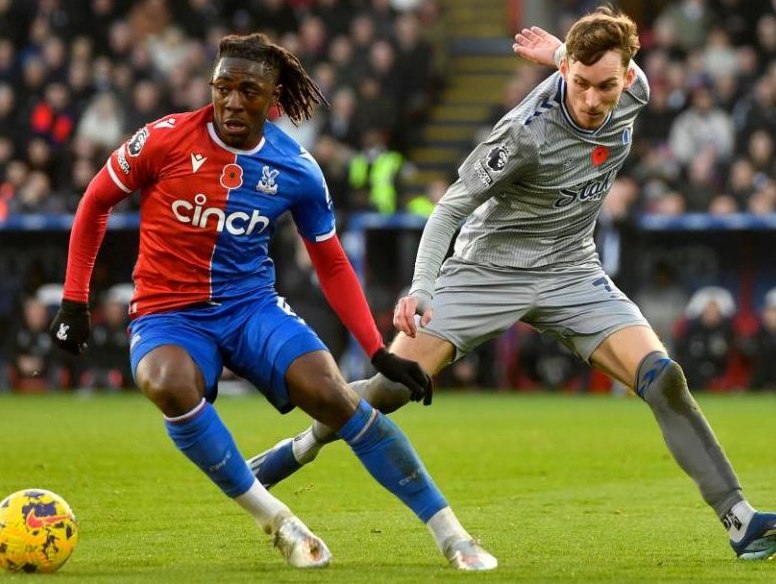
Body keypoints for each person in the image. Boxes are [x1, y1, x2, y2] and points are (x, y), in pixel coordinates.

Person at [248, 8, 776, 561]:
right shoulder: (523, 133)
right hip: (486, 271)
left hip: (571, 267)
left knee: (663, 377)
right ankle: (302, 445)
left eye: (606, 86)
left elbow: (595, 70)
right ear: (566, 73)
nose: (595, 100)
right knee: (394, 388)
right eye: (581, 83)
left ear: (628, 76)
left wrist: (558, 53)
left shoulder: (636, 90)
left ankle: (740, 522)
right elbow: (449, 210)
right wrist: (422, 285)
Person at [48, 34, 496, 571]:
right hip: (169, 312)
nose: (233, 102)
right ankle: (277, 519)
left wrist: (377, 351)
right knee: (167, 384)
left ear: (273, 99)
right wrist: (75, 301)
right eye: (222, 88)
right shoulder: (163, 139)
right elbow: (95, 202)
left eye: (248, 91)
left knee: (331, 393)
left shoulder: (297, 168)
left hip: (250, 308)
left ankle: (452, 534)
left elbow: (330, 262)